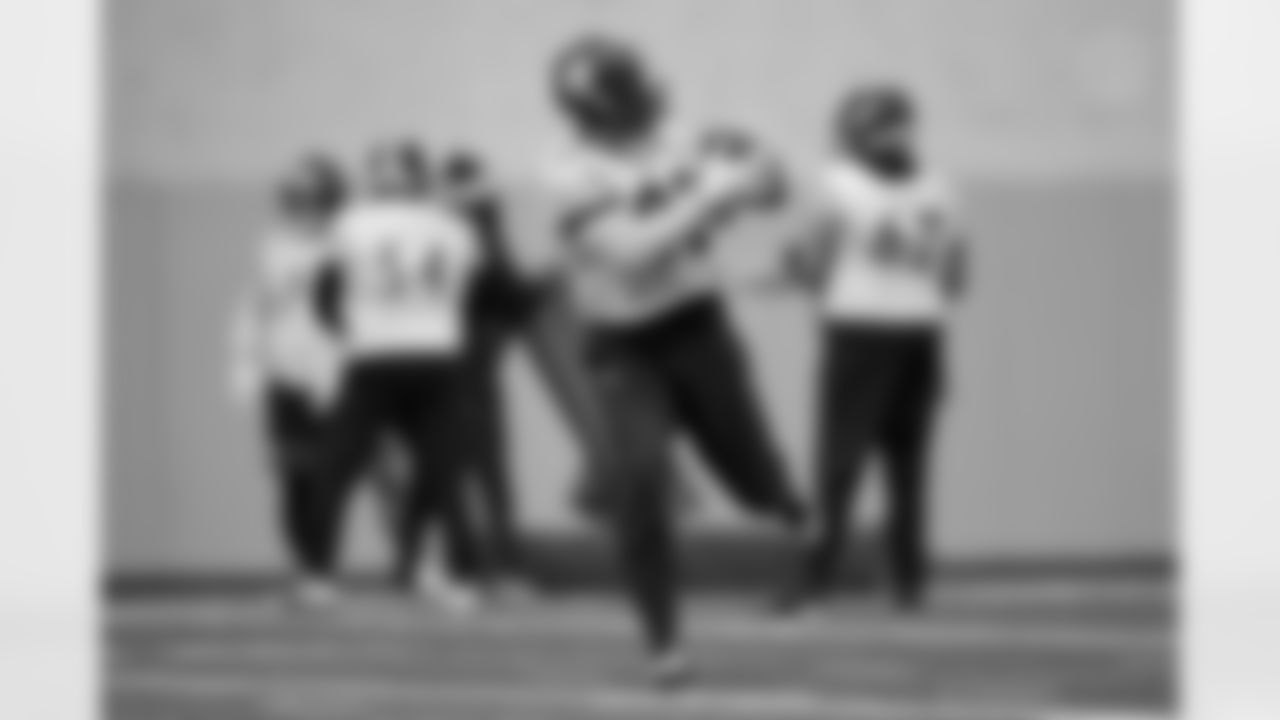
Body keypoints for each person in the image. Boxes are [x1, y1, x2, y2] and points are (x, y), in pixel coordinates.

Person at [543, 34, 806, 687]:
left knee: (752, 480)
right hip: (624, 345)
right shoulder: (570, 174)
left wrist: (761, 169)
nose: (640, 100)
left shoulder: (686, 139)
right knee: (639, 479)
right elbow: (633, 251)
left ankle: (783, 499)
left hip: (698, 330)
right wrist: (713, 196)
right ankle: (663, 642)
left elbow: (777, 191)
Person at [776, 85, 969, 614]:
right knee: (909, 465)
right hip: (921, 331)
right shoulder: (939, 186)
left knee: (838, 464)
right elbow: (957, 276)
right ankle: (910, 580)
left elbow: (813, 261)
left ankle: (816, 577)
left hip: (859, 329)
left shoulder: (838, 183)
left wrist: (793, 267)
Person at [303, 139, 486, 614]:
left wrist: (352, 329)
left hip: (375, 355)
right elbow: (473, 291)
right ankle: (458, 576)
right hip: (436, 354)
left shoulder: (352, 222)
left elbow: (324, 294)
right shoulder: (452, 225)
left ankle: (320, 575)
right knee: (443, 472)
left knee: (335, 467)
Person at [228, 153, 348, 608]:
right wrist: (245, 361)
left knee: (328, 479)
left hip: (335, 374)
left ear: (330, 200)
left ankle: (323, 569)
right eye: (296, 199)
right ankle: (306, 570)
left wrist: (343, 368)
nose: (304, 209)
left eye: (312, 199)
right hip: (286, 373)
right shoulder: (273, 245)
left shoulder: (347, 243)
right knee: (293, 477)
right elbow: (256, 306)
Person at [439, 149, 535, 594]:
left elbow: (509, 296)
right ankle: (467, 566)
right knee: (465, 470)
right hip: (451, 366)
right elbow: (505, 292)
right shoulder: (448, 233)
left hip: (473, 364)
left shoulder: (484, 231)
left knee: (484, 471)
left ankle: (495, 565)